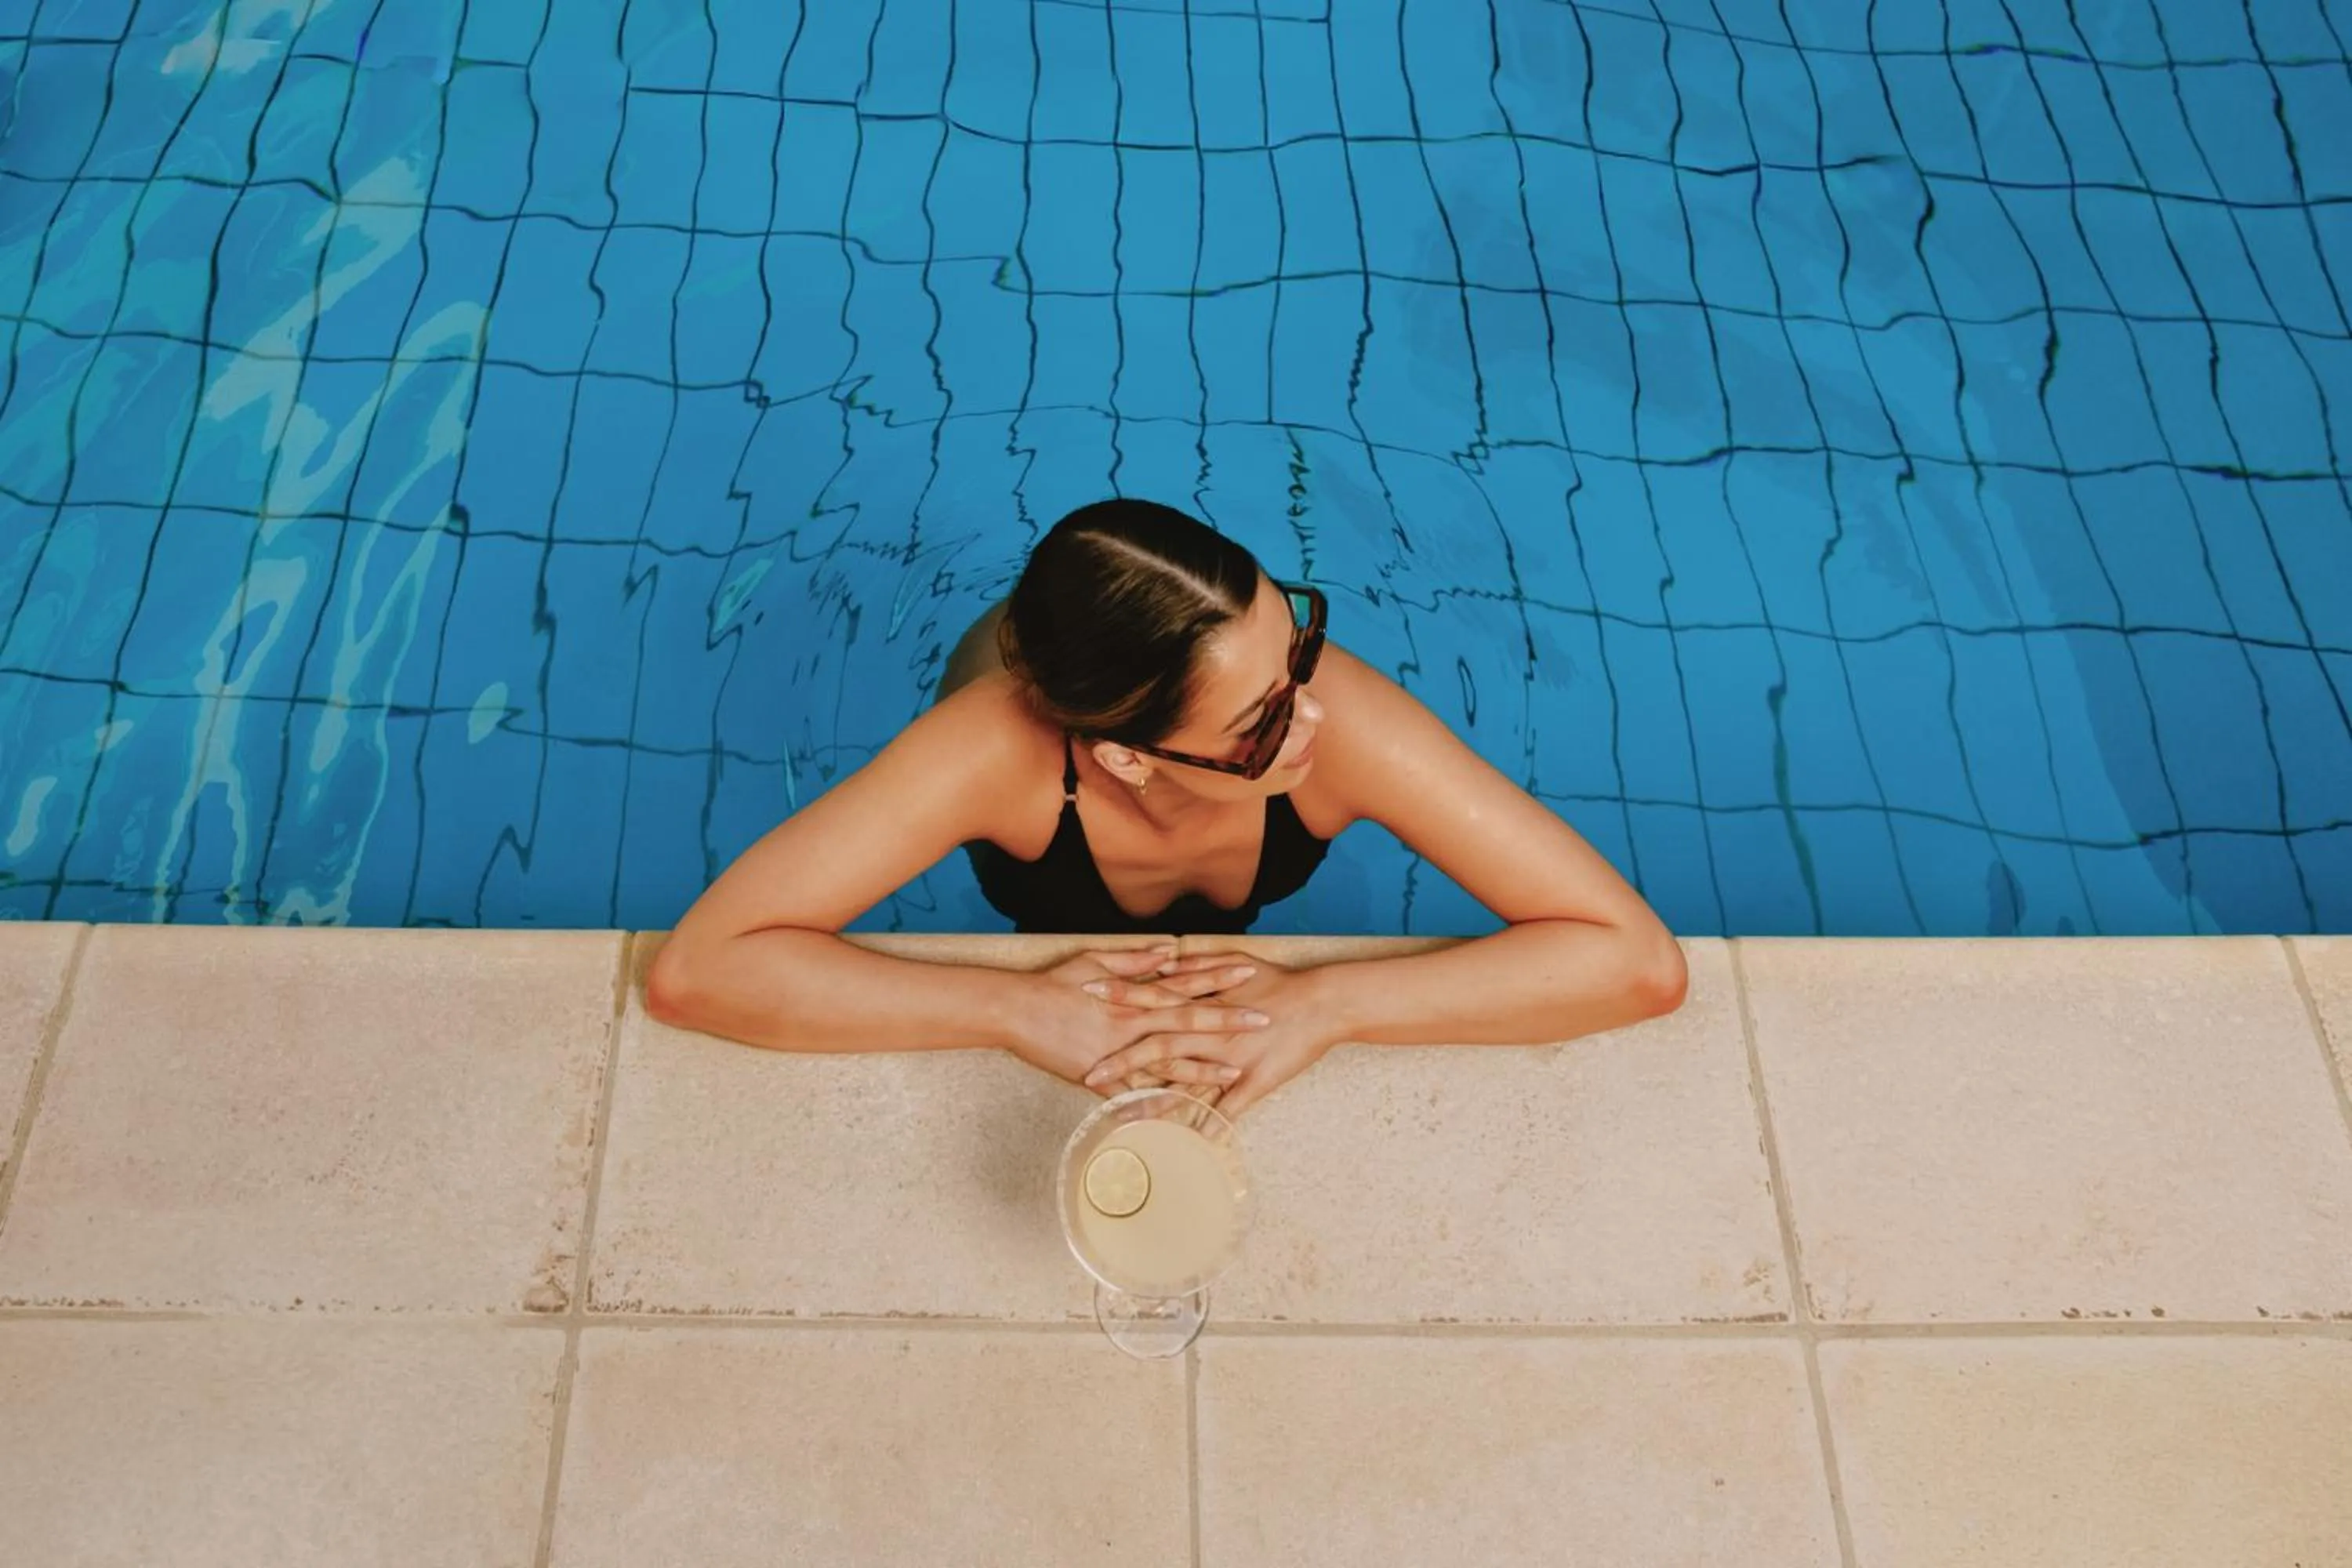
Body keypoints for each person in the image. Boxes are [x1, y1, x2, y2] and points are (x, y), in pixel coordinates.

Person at [646, 498, 1685, 1114]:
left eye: (1300, 648)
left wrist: (1336, 1005)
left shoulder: (1336, 718)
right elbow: (699, 970)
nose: (1317, 722)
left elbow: (1635, 960)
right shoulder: (987, 754)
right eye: (1262, 724)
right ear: (1128, 762)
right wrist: (1008, 1006)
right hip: (1039, 755)